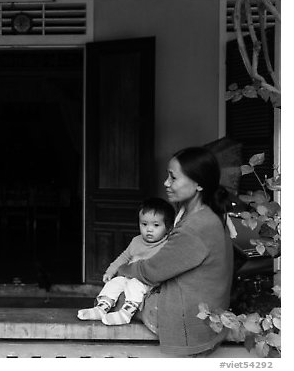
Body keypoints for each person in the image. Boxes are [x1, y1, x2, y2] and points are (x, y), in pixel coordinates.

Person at [117, 146, 233, 356]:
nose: (166, 183)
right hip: (203, 313)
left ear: (198, 184)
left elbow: (152, 271)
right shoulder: (202, 213)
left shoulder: (196, 226)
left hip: (189, 320)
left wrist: (123, 269)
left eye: (173, 177)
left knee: (117, 291)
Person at [77, 198, 175, 325]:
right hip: (129, 275)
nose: (149, 229)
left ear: (168, 228)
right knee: (115, 282)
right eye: (144, 224)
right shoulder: (136, 241)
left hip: (148, 281)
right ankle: (101, 308)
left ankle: (126, 313)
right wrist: (111, 271)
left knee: (135, 284)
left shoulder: (166, 245)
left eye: (156, 225)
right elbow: (124, 257)